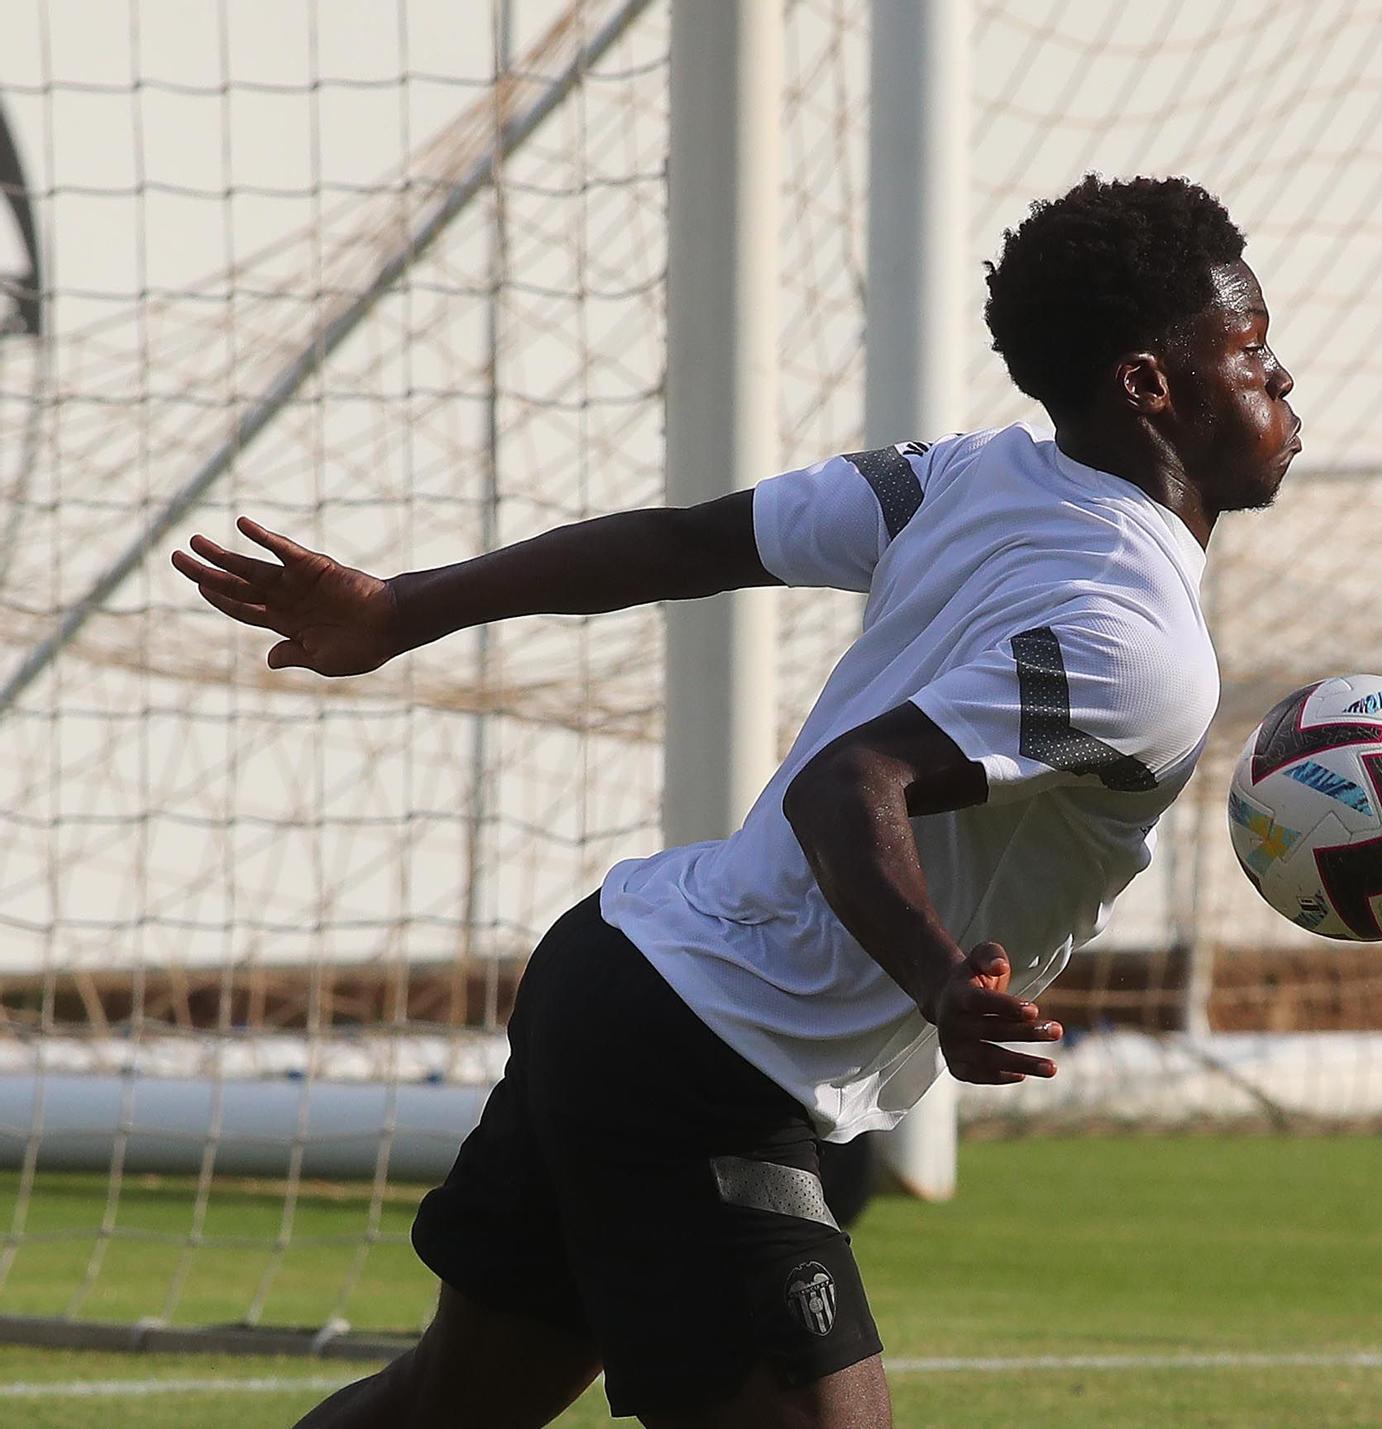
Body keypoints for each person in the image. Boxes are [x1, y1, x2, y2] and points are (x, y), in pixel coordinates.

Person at [172, 173, 1299, 1429]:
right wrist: (940, 982)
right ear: (1148, 384)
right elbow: (845, 785)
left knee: (443, 1409)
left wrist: (402, 609)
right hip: (708, 1052)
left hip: (617, 968)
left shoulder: (964, 476)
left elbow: (685, 543)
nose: (1280, 378)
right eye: (1250, 350)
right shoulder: (1140, 649)